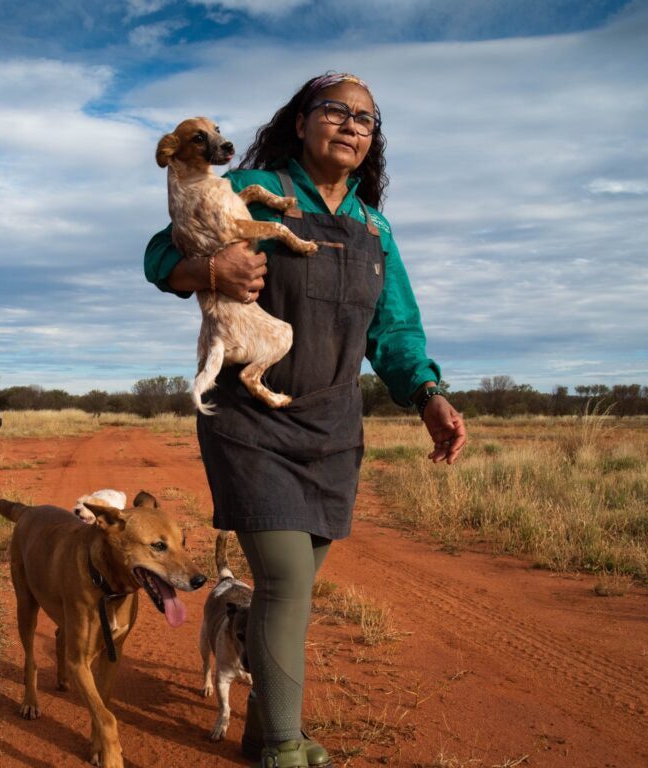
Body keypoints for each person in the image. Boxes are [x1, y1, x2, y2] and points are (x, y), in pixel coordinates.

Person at [143, 72, 467, 768]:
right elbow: (159, 253)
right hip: (250, 419)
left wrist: (427, 394)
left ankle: (262, 730)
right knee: (287, 581)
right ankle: (284, 747)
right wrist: (211, 270)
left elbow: (395, 330)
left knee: (286, 591)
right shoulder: (250, 185)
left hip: (332, 428)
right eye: (335, 111)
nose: (351, 125)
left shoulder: (374, 228)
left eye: (366, 119)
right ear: (300, 121)